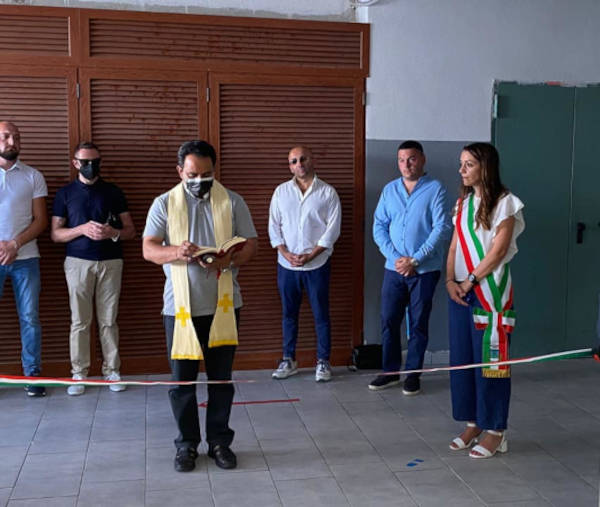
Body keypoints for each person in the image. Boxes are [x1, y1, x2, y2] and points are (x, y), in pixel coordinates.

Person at [142, 140, 257, 472]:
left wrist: (228, 259)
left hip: (224, 306)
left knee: (221, 381)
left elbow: (251, 245)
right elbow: (149, 249)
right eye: (192, 175)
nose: (199, 181)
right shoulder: (164, 203)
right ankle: (187, 445)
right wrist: (177, 252)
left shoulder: (232, 201)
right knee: (183, 384)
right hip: (180, 309)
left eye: (206, 175)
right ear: (180, 171)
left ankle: (220, 442)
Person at [446, 142, 524, 458]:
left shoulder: (506, 203)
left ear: (485, 167)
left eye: (469, 164)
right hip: (461, 291)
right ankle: (473, 422)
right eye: (461, 163)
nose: (461, 170)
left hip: (489, 293)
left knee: (492, 363)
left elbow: (498, 250)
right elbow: (454, 246)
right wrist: (450, 281)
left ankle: (495, 430)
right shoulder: (463, 204)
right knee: (464, 360)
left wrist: (470, 280)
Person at [51, 141, 136, 396]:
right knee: (80, 320)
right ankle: (79, 373)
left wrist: (112, 232)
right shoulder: (65, 194)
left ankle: (112, 371)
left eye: (95, 162)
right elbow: (56, 234)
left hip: (111, 262)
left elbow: (130, 231)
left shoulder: (113, 192)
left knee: (109, 320)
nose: (91, 166)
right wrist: (82, 229)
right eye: (85, 162)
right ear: (75, 163)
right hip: (77, 263)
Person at [369, 140, 451, 395]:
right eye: (402, 160)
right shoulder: (390, 190)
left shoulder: (436, 189)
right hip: (393, 269)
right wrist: (397, 259)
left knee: (418, 324)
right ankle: (390, 372)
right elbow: (379, 226)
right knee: (388, 320)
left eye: (412, 159)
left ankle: (413, 375)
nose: (406, 165)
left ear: (422, 159)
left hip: (424, 270)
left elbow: (441, 228)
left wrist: (415, 260)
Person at [269, 146, 341, 382]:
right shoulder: (281, 192)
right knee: (289, 314)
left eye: (303, 159)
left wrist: (311, 255)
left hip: (317, 265)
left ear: (312, 160)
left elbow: (332, 230)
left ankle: (323, 361)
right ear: (290, 166)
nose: (299, 164)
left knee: (321, 314)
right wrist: (285, 252)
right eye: (293, 161)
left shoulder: (328, 193)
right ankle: (288, 359)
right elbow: (274, 227)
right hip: (286, 265)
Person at [0, 121, 48, 398]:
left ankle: (33, 375)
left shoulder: (33, 176)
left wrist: (14, 244)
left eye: (16, 137)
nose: (12, 142)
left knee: (30, 317)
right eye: (6, 136)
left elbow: (41, 220)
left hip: (26, 258)